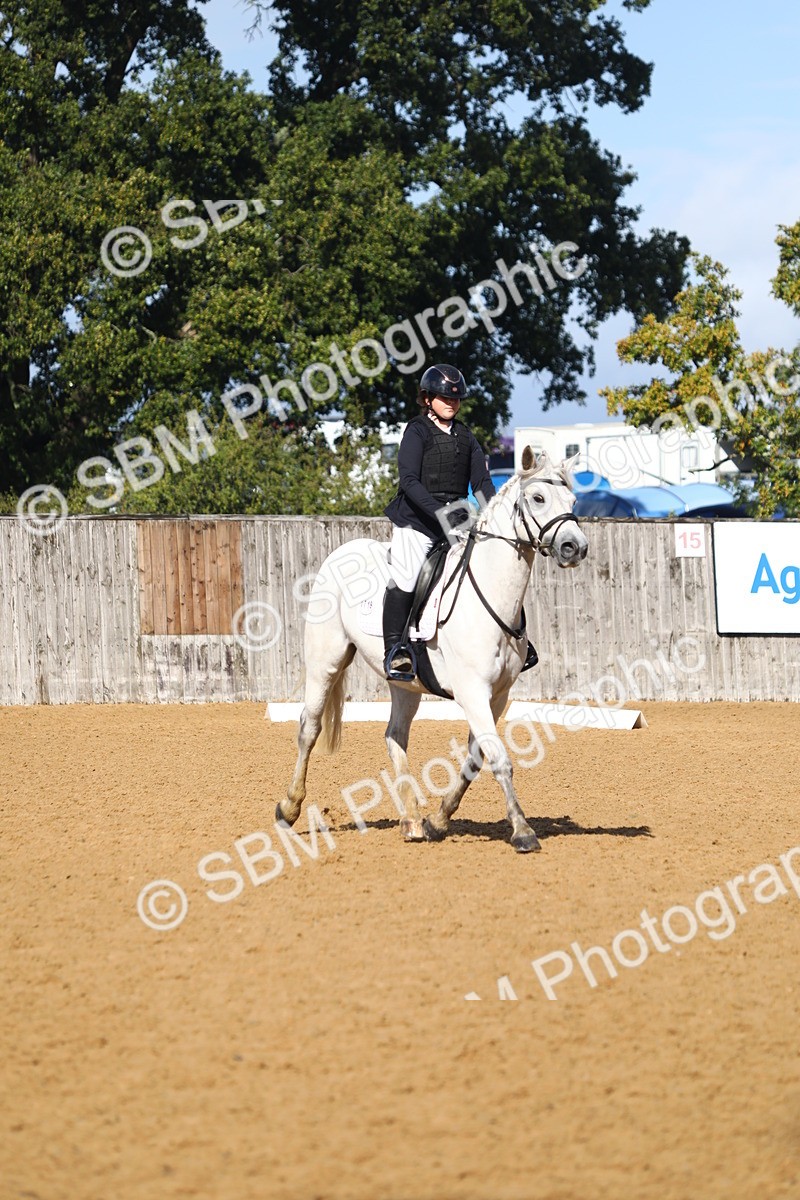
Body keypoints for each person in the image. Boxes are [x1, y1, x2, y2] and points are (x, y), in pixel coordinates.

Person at [383, 363, 537, 682]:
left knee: (493, 566)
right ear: (427, 398)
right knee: (408, 574)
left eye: (455, 399)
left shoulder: (465, 436)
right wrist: (440, 513)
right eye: (443, 397)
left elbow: (481, 483)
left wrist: (495, 514)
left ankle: (517, 639)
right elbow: (409, 481)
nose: (451, 403)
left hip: (457, 517)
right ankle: (395, 650)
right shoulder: (416, 431)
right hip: (416, 519)